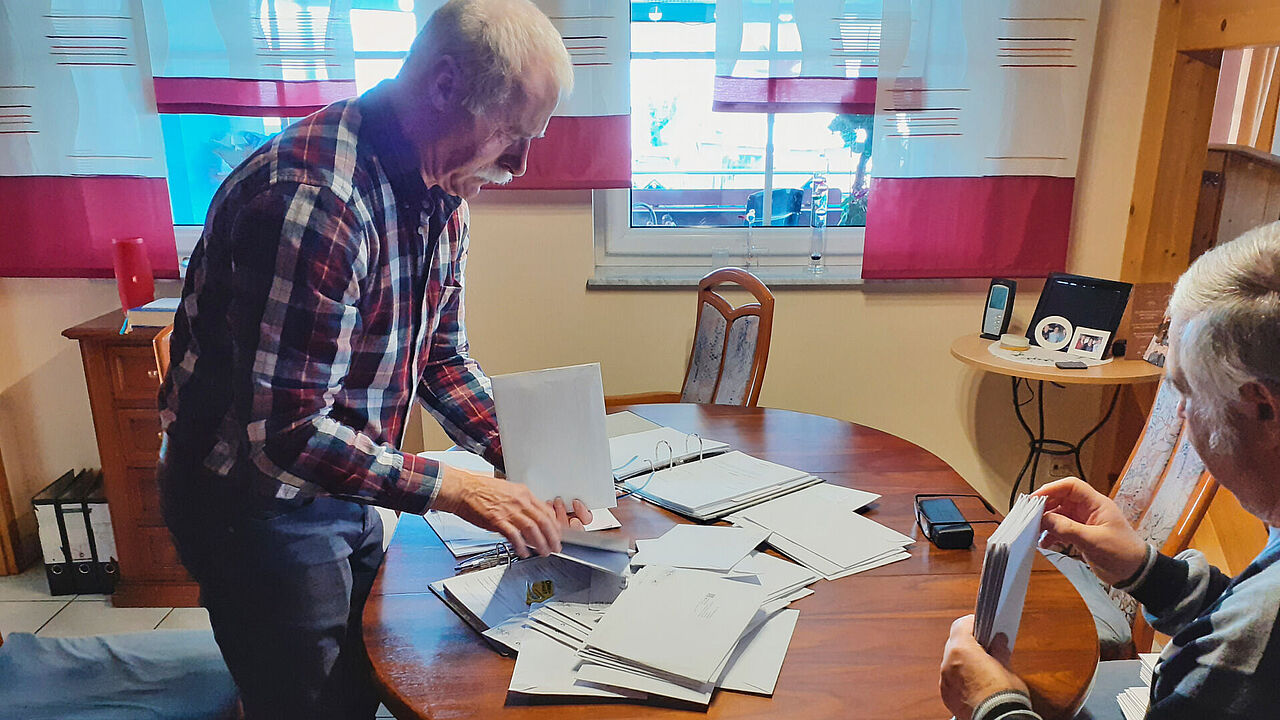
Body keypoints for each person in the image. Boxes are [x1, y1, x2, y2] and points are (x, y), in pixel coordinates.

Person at [157, 2, 591, 718]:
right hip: (250, 500)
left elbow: (441, 356)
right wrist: (460, 488)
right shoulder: (315, 201)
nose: (521, 161)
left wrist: (521, 449)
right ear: (445, 85)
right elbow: (290, 434)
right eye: (513, 134)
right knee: (312, 701)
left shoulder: (445, 192)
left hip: (347, 477)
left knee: (362, 670)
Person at [940, 221, 1280, 720]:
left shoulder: (1246, 650)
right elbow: (1242, 615)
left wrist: (994, 707)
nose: (1181, 418)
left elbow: (1250, 634)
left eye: (1186, 392)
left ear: (1262, 408)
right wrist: (1144, 570)